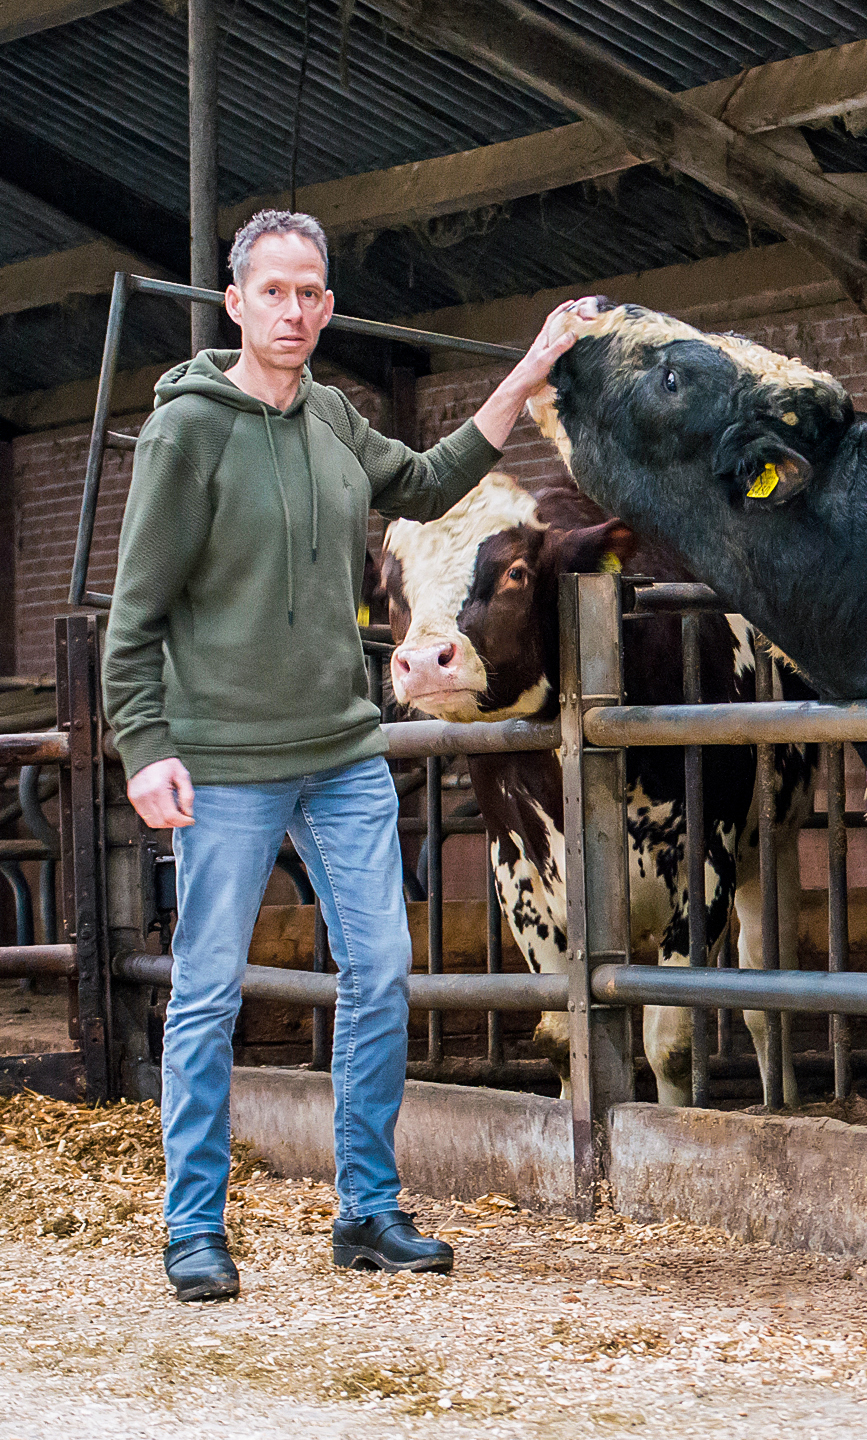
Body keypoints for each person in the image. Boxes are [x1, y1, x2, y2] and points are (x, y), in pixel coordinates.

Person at [102, 209, 582, 1302]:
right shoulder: (186, 432)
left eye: (312, 291)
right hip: (223, 760)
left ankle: (366, 1210)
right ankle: (192, 1227)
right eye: (273, 291)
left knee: (380, 973)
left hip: (340, 754)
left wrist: (533, 365)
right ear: (236, 304)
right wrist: (144, 745)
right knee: (211, 991)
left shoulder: (331, 418)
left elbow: (429, 479)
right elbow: (135, 614)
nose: (295, 310)